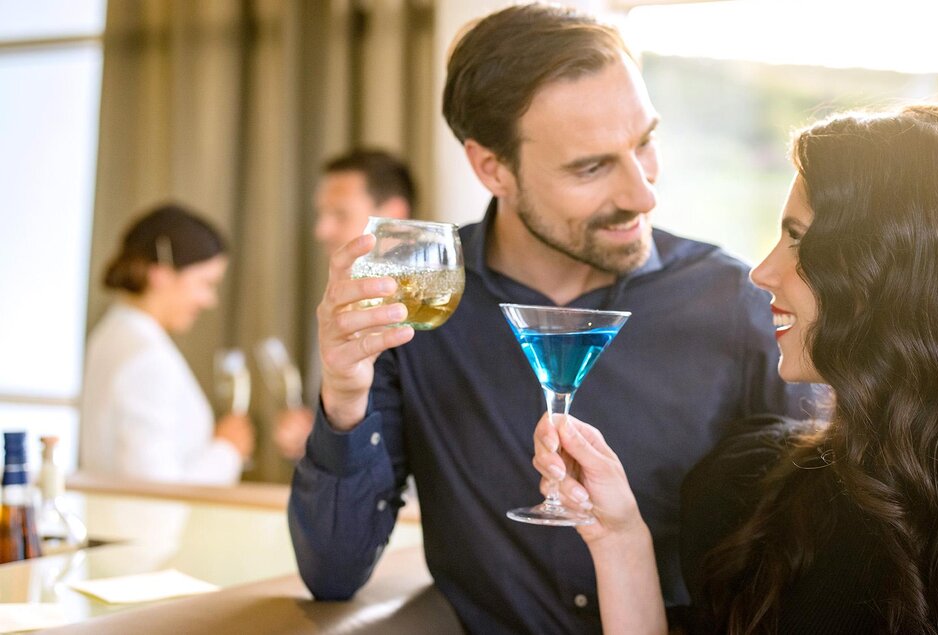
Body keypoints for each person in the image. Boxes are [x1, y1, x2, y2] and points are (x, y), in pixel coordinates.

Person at [287, 4, 810, 633]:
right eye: (590, 167)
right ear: (492, 168)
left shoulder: (736, 304)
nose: (642, 193)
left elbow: (814, 557)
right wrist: (344, 397)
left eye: (644, 141)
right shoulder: (422, 306)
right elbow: (333, 574)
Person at [532, 104, 938, 634]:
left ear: (889, 272)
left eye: (798, 240)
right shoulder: (755, 486)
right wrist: (618, 538)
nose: (762, 272)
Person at [80, 203, 255, 485]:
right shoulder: (147, 358)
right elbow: (156, 493)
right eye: (205, 283)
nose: (210, 300)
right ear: (160, 274)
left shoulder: (110, 334)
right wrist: (228, 450)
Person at [272, 148, 417, 461]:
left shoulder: (431, 313)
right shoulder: (340, 302)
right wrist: (319, 433)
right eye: (321, 214)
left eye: (339, 214)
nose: (320, 230)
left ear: (392, 215)